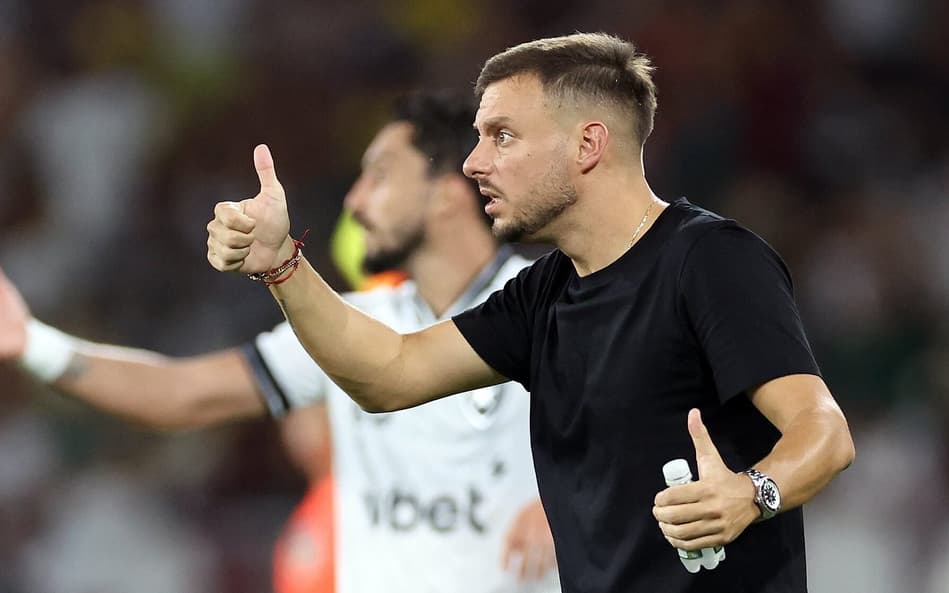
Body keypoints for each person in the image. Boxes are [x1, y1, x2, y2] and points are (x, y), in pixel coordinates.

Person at [206, 33, 856, 593]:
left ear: (587, 144)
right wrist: (281, 266)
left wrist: (753, 491)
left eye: (503, 136)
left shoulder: (709, 261)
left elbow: (823, 430)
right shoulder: (543, 295)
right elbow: (390, 372)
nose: (473, 162)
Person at [1, 91, 559, 593]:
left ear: (447, 196)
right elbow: (181, 393)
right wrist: (31, 343)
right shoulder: (348, 325)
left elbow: (648, 429)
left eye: (381, 175)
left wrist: (581, 498)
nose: (355, 201)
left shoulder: (557, 304)